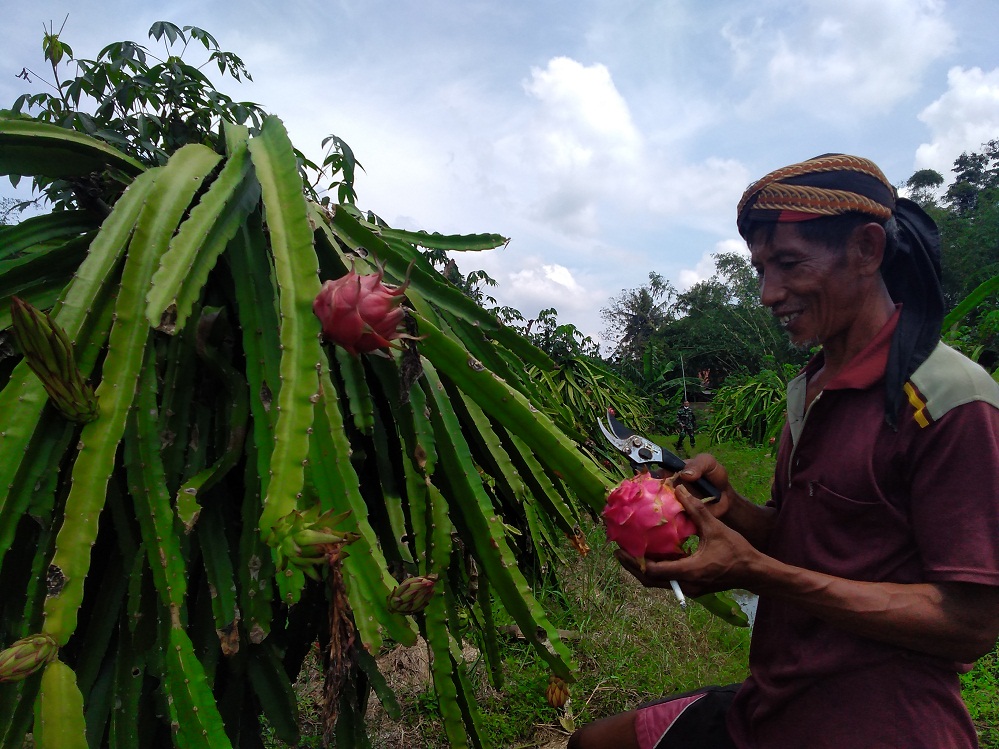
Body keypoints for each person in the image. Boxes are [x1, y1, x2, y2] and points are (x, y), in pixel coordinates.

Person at [568, 154, 999, 749]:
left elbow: (970, 623)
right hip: (775, 700)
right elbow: (810, 540)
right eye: (762, 269)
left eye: (790, 264)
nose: (770, 293)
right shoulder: (811, 387)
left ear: (867, 250)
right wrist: (731, 507)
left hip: (877, 719)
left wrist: (756, 572)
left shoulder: (950, 398)